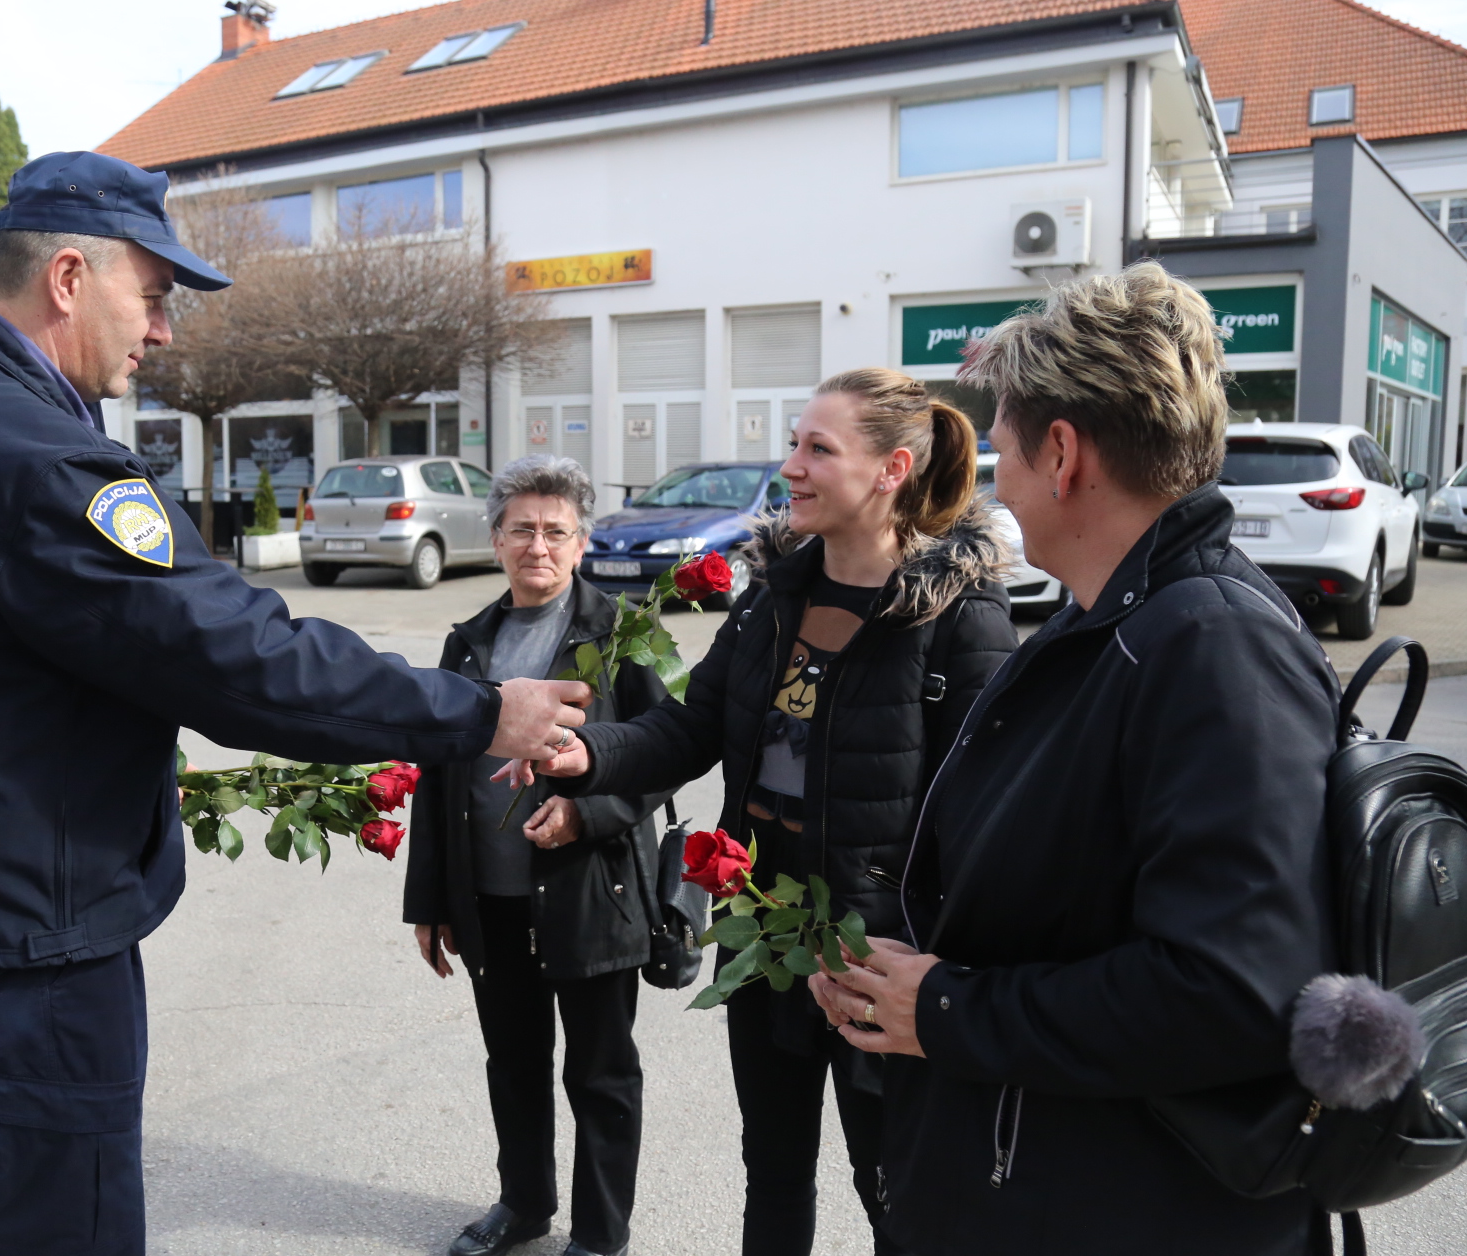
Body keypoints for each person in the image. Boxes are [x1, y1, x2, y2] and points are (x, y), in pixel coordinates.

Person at [0, 150, 589, 1256]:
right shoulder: (41, 459)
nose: (166, 330)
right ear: (71, 278)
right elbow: (239, 654)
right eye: (155, 292)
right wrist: (477, 713)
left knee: (0, 1209)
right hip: (29, 936)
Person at [807, 264, 1342, 1255]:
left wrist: (947, 1006)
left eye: (1002, 442)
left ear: (1063, 452)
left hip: (1135, 1212)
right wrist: (897, 970)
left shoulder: (1212, 646)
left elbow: (1231, 991)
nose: (993, 473)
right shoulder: (1120, 623)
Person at [530, 370, 1019, 1255]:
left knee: (896, 1192)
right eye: (793, 442)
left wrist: (944, 964)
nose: (788, 466)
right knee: (775, 1172)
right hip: (763, 935)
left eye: (816, 449)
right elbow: (688, 729)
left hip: (882, 959)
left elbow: (988, 810)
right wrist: (587, 755)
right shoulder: (771, 599)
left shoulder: (956, 616)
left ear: (892, 469)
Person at [403, 456, 673, 1256]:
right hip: (490, 896)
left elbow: (665, 756)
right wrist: (430, 900)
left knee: (600, 1074)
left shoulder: (620, 636)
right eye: (522, 529)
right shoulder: (469, 642)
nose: (539, 545)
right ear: (495, 539)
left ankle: (599, 1234)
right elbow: (435, 776)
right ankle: (523, 1207)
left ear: (582, 542)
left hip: (592, 893)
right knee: (512, 1063)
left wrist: (586, 815)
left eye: (556, 530)